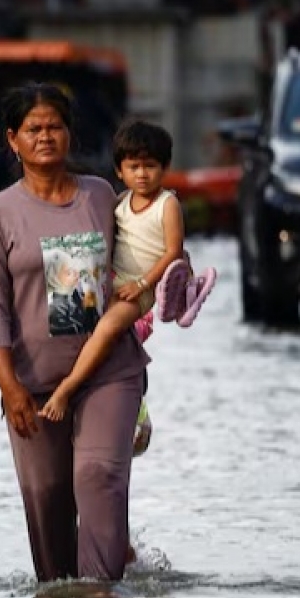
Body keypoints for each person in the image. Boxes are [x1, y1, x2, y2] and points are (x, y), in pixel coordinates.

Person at [0, 83, 149, 582]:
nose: (45, 136)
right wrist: (10, 387)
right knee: (48, 502)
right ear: (13, 140)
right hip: (33, 382)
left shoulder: (100, 196)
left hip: (108, 372)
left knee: (98, 477)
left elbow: (141, 260)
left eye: (55, 126)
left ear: (69, 134)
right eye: (34, 129)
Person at [38, 120, 218, 422]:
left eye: (150, 166)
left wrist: (142, 284)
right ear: (120, 171)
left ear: (165, 167)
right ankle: (67, 376)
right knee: (70, 312)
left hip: (143, 289)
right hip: (114, 280)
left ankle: (66, 388)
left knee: (107, 328)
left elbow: (173, 250)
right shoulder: (121, 201)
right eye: (134, 167)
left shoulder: (167, 204)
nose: (143, 174)